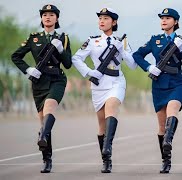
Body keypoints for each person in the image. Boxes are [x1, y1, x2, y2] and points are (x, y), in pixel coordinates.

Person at [72, 7, 137, 173]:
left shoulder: (122, 41)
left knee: (112, 107)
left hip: (116, 81)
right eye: (100, 18)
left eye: (106, 18)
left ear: (114, 22)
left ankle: (107, 149)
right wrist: (89, 72)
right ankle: (106, 160)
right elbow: (76, 58)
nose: (102, 20)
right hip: (99, 84)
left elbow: (132, 64)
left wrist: (122, 49)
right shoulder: (92, 41)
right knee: (101, 125)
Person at [11, 4, 71, 173]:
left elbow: (68, 64)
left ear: (56, 18)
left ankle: (42, 135)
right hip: (39, 82)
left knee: (49, 108)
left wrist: (60, 49)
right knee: (43, 121)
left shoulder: (63, 38)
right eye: (45, 14)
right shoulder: (34, 38)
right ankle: (47, 159)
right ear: (42, 18)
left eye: (51, 14)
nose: (48, 17)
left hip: (57, 79)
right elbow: (15, 56)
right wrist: (29, 69)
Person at [133, 8, 182, 173]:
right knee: (161, 125)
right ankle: (166, 160)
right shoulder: (155, 40)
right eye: (162, 18)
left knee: (173, 108)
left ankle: (168, 140)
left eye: (168, 18)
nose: (164, 21)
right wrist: (149, 67)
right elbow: (137, 55)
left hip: (178, 81)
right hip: (159, 84)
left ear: (175, 22)